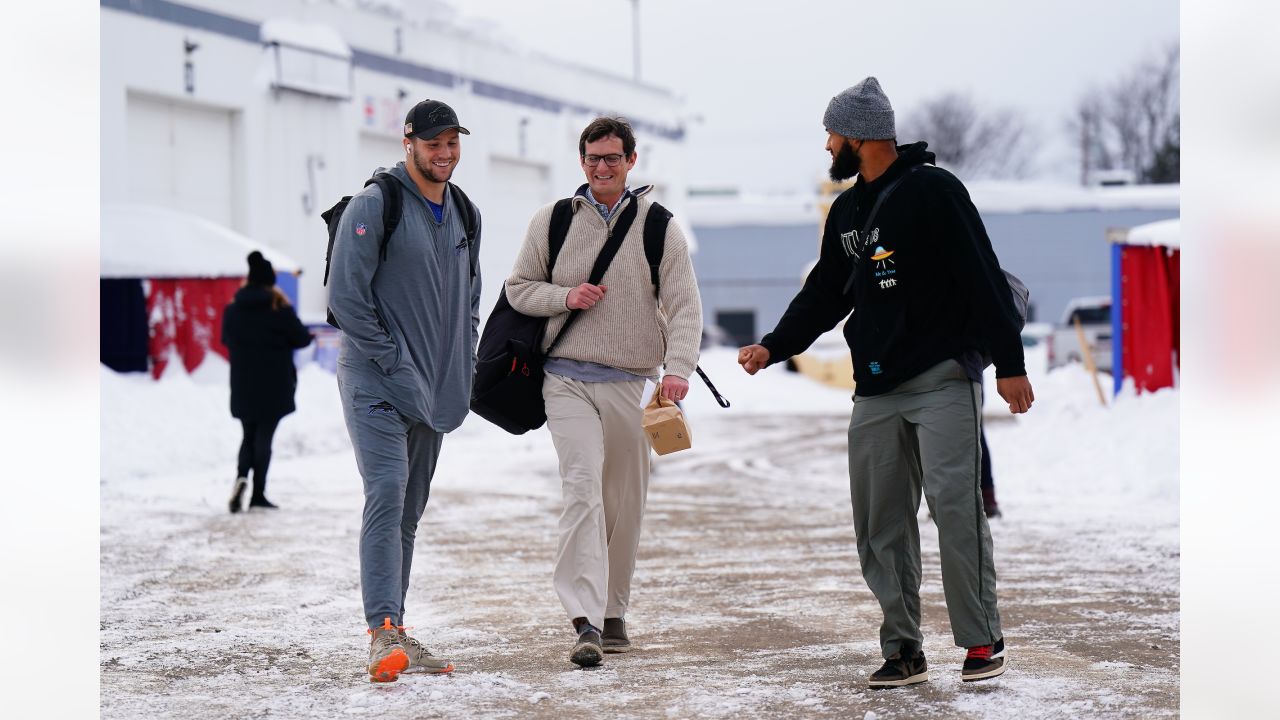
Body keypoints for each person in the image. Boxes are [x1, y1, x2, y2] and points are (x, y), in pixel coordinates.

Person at [738, 77, 1034, 688]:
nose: (826, 145)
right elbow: (825, 292)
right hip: (875, 388)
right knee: (880, 526)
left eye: (832, 134)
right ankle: (903, 648)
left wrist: (1009, 362)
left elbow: (980, 274)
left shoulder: (935, 191)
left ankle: (981, 640)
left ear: (861, 135)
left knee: (956, 510)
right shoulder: (847, 210)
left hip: (941, 378)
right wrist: (773, 346)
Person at [505, 116, 703, 667]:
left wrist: (678, 367)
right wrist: (566, 297)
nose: (602, 167)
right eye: (592, 158)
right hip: (565, 378)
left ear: (632, 161)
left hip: (632, 383)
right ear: (582, 161)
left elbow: (685, 304)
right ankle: (585, 620)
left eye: (612, 157)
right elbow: (518, 288)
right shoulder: (551, 222)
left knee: (624, 503)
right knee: (583, 491)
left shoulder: (660, 225)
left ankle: (615, 612)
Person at [327, 99, 480, 683]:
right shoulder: (376, 204)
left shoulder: (464, 211)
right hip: (376, 380)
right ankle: (381, 631)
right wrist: (394, 358)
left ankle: (396, 628)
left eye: (453, 143)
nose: (444, 153)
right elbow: (345, 300)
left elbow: (469, 297)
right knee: (387, 491)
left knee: (409, 512)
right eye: (434, 143)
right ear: (408, 142)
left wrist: (458, 359)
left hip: (433, 387)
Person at [221, 251, 313, 514]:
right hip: (275, 385)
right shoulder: (278, 309)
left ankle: (241, 478)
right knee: (264, 438)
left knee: (248, 435)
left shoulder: (232, 310)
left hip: (243, 384)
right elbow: (303, 339)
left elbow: (225, 340)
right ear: (270, 281)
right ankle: (258, 494)